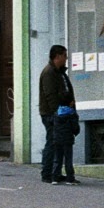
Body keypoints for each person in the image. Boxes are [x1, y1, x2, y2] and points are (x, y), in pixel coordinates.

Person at [38, 44, 77, 184]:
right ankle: (47, 173)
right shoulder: (49, 73)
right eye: (65, 55)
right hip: (52, 114)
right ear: (57, 56)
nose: (66, 58)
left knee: (57, 143)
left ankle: (56, 173)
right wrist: (58, 113)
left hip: (61, 113)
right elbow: (50, 96)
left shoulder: (59, 72)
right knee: (52, 143)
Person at [52, 102, 81, 186]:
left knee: (57, 159)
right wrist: (75, 133)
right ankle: (70, 179)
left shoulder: (56, 114)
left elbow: (52, 125)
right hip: (67, 140)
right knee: (68, 159)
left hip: (57, 139)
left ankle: (55, 178)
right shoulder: (72, 114)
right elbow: (75, 128)